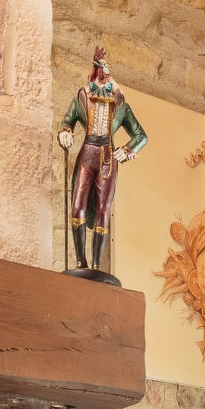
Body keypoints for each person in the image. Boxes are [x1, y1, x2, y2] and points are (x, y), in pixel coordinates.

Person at [58, 44, 147, 276]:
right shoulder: (83, 96)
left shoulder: (120, 104)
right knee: (77, 207)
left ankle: (97, 266)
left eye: (104, 70)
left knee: (103, 211)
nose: (101, 75)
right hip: (87, 153)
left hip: (108, 158)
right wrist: (65, 132)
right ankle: (81, 262)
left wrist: (127, 150)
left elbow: (140, 136)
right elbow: (68, 121)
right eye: (97, 69)